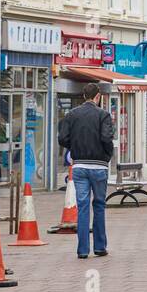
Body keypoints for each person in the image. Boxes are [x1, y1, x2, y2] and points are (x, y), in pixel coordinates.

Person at [57, 83, 115, 259]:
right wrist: (107, 154)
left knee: (82, 207)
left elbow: (62, 138)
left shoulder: (72, 115)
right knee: (99, 205)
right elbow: (106, 138)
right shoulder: (103, 115)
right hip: (98, 166)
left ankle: (82, 250)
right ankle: (99, 246)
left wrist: (74, 147)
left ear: (83, 96)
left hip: (80, 166)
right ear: (97, 97)